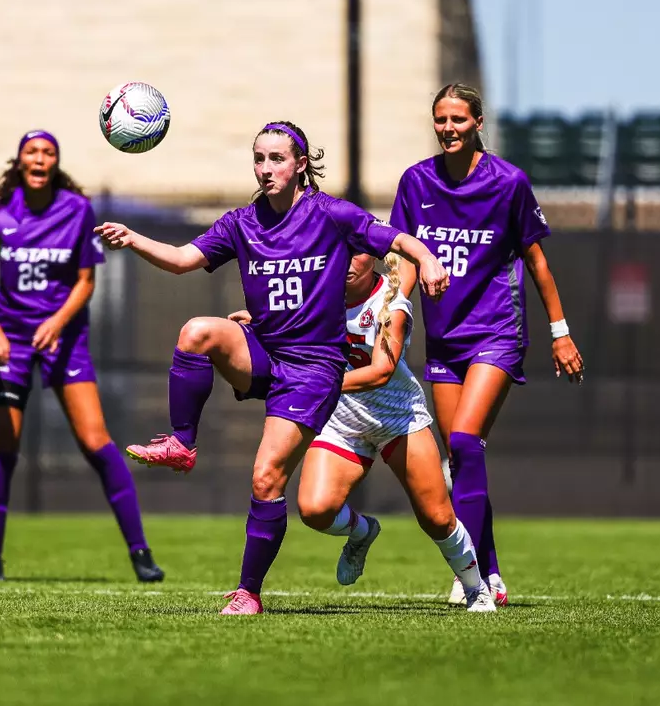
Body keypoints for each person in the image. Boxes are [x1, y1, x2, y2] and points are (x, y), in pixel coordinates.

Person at [95, 121, 448, 615]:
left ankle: (248, 593)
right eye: (259, 159)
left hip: (313, 370)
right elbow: (180, 260)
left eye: (277, 159)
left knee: (266, 479)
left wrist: (428, 260)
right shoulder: (242, 222)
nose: (266, 169)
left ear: (301, 163)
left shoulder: (331, 214)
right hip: (265, 351)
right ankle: (182, 443)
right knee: (197, 330)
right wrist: (133, 239)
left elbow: (399, 242)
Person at [390, 84, 584, 606]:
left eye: (458, 119)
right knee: (461, 460)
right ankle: (491, 573)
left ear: (478, 122)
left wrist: (560, 333)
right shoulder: (416, 181)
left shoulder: (508, 183)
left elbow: (537, 261)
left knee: (464, 441)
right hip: (444, 339)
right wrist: (395, 312)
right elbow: (405, 257)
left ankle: (467, 574)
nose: (448, 128)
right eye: (440, 120)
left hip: (496, 332)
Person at [0, 129, 162, 583]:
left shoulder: (76, 211)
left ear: (56, 162)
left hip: (64, 337)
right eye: (32, 152)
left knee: (97, 443)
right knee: (3, 449)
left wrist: (56, 323)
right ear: (20, 161)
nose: (40, 159)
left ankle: (141, 554)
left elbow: (86, 282)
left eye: (48, 152)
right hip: (11, 340)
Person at [277, 251, 495, 612]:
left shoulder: (391, 304)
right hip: (343, 419)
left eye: (355, 254)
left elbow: (380, 371)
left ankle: (477, 589)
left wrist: (321, 385)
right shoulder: (316, 293)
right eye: (339, 251)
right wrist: (254, 324)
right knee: (314, 510)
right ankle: (362, 532)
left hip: (397, 418)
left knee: (437, 518)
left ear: (373, 260)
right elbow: (286, 323)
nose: (345, 261)